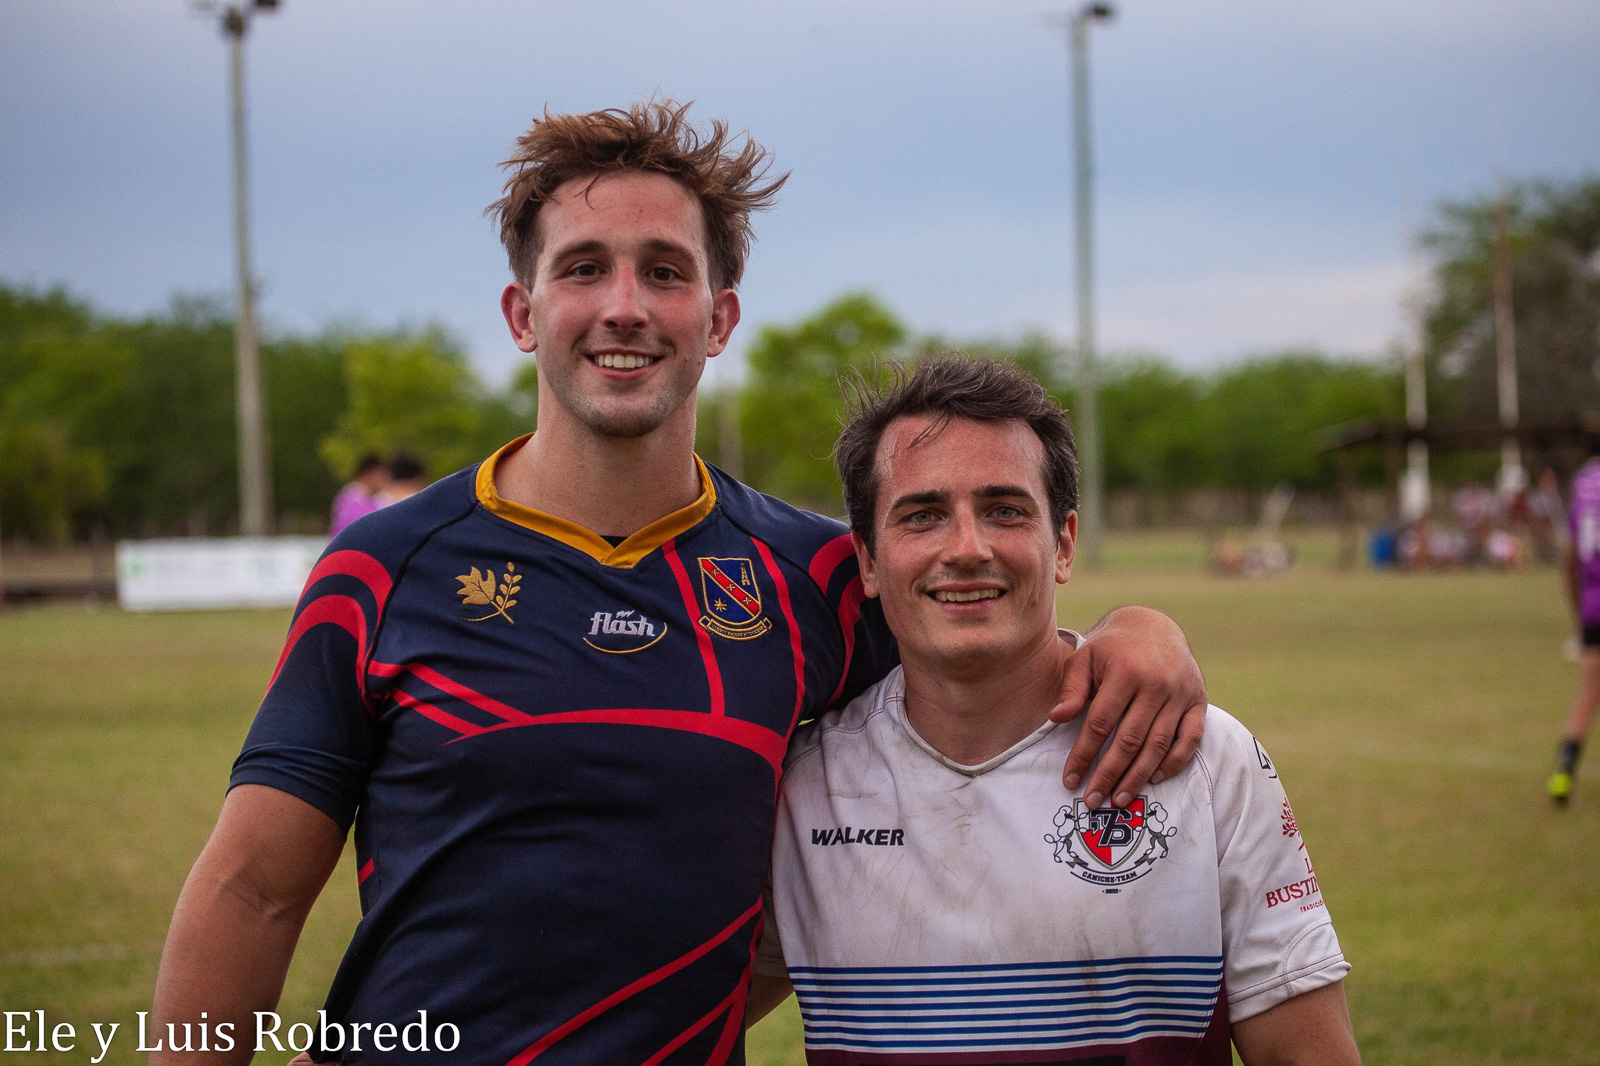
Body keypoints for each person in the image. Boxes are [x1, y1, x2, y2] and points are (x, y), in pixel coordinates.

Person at [149, 103, 1209, 1065]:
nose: (625, 306)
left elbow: (998, 671)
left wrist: (1134, 625)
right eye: (582, 269)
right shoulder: (384, 570)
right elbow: (251, 890)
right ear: (523, 312)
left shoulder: (819, 581)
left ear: (719, 317)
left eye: (664, 270)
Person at [748, 357, 1359, 1064]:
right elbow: (675, 1017)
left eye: (1005, 510)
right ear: (869, 560)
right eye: (923, 516)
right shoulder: (804, 788)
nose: (967, 548)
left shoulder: (1202, 757)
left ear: (1062, 543)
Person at [1550, 442, 1600, 804]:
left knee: (1590, 690)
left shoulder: (1582, 484)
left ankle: (1563, 773)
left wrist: (1578, 615)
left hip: (1592, 604)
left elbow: (1568, 561)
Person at [328, 454, 387, 536]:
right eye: (380, 474)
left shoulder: (369, 497)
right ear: (369, 473)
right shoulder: (352, 498)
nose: (383, 479)